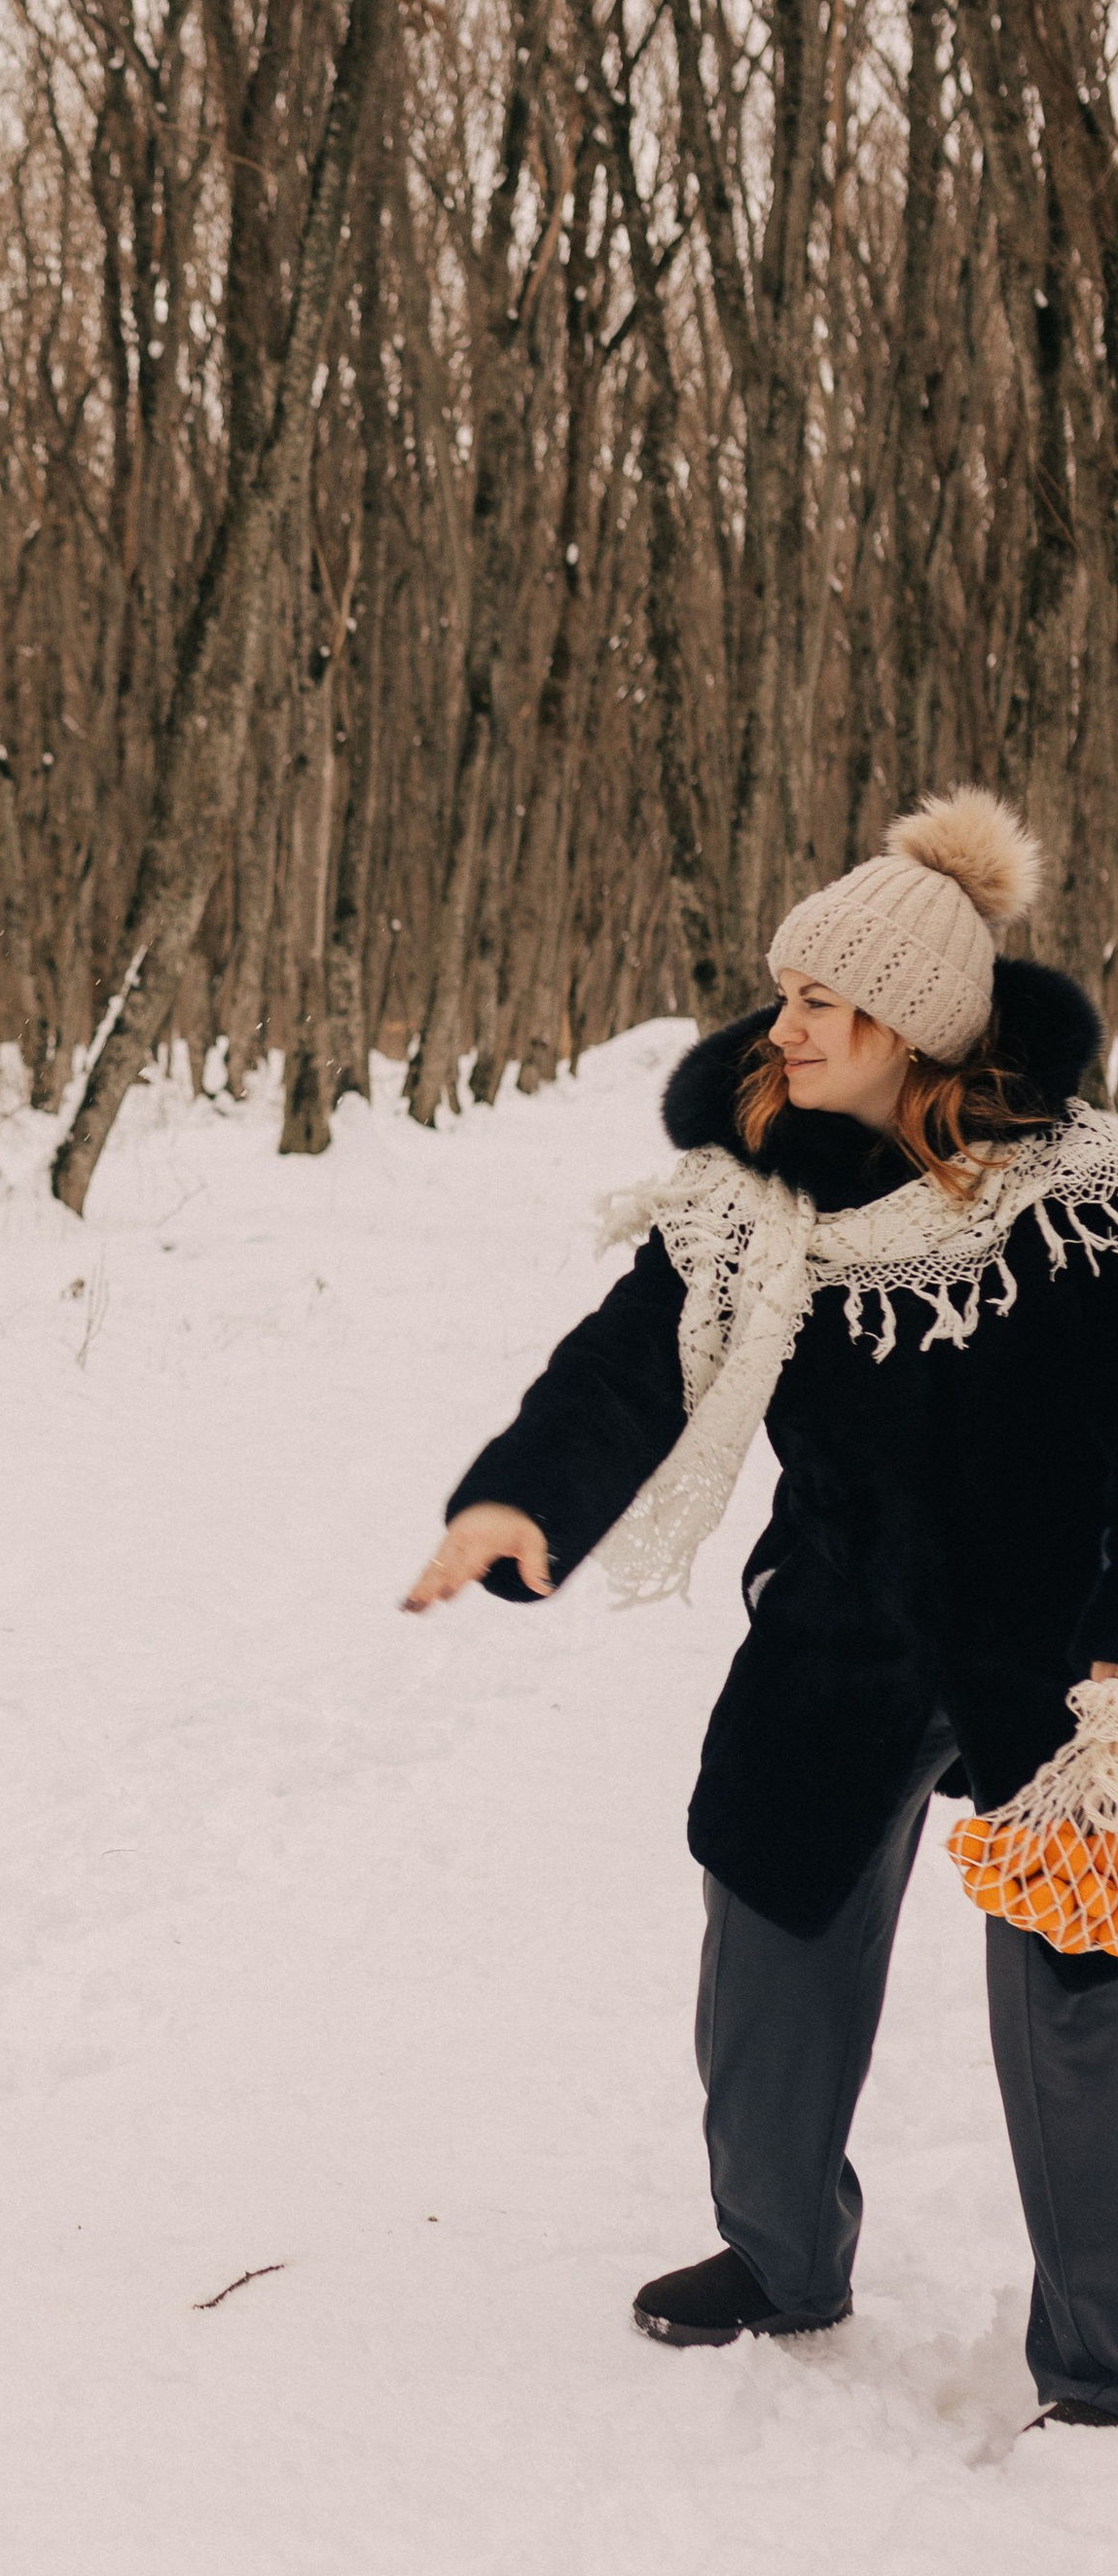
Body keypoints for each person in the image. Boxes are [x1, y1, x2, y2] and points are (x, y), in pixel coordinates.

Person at [405, 791, 1118, 2426]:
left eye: (820, 1003)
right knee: (769, 1911)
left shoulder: (1086, 1206)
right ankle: (781, 2252)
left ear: (914, 1029)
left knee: (1085, 1996)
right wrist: (521, 1494)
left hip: (1062, 1636)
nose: (780, 1023)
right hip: (843, 1620)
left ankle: (1103, 2359)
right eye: (785, 991)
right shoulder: (752, 1201)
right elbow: (629, 1358)